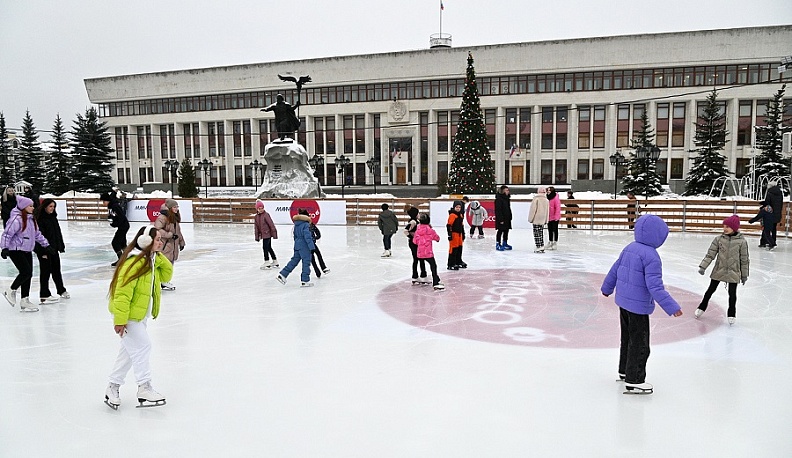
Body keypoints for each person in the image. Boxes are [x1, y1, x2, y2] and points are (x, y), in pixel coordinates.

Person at [601, 214, 683, 395]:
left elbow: (614, 270)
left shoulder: (629, 248)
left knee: (627, 339)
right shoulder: (652, 257)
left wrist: (607, 288)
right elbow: (655, 286)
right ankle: (635, 380)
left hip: (623, 303)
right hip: (638, 308)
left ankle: (624, 371)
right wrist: (671, 307)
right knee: (640, 344)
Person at [104, 225, 173, 410]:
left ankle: (112, 387)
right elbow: (122, 293)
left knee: (128, 353)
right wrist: (120, 320)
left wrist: (157, 256)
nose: (161, 242)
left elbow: (167, 275)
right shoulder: (134, 262)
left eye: (160, 239)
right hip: (128, 315)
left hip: (140, 314)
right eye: (157, 239)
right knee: (143, 346)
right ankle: (144, 387)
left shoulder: (150, 260)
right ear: (146, 241)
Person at [1, 196, 53, 312]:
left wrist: (46, 245)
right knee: (26, 272)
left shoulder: (31, 219)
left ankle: (25, 299)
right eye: (30, 206)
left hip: (27, 249)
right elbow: (7, 234)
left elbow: (37, 234)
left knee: (28, 275)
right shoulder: (16, 219)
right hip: (15, 249)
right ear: (23, 207)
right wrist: (4, 248)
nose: (33, 208)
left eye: (32, 205)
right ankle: (11, 290)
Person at [696, 215, 749, 325]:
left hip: (734, 271)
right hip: (719, 269)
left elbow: (744, 260)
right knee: (710, 291)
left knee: (732, 295)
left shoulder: (742, 242)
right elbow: (710, 254)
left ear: (734, 228)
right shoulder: (719, 239)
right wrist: (703, 266)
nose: (725, 229)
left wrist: (744, 275)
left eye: (727, 227)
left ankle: (731, 314)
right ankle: (701, 307)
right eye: (724, 226)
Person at [34, 199, 69, 304]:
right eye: (50, 206)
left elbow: (57, 233)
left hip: (53, 249)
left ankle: (61, 290)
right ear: (45, 207)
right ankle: (44, 294)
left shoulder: (53, 217)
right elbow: (39, 237)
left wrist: (60, 245)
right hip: (44, 250)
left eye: (53, 206)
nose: (52, 208)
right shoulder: (40, 219)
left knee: (56, 270)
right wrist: (43, 251)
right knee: (45, 272)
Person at [276, 209, 316, 287]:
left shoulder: (296, 224)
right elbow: (307, 237)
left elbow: (295, 236)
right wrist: (312, 247)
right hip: (304, 246)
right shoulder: (306, 224)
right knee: (306, 262)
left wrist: (297, 244)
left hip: (297, 245)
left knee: (294, 261)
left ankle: (283, 274)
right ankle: (305, 280)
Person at [154, 199, 184, 290]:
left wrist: (181, 242)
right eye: (175, 207)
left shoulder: (174, 217)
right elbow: (157, 229)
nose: (177, 209)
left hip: (173, 245)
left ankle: (164, 281)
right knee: (165, 264)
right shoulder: (162, 217)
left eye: (177, 207)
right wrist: (169, 235)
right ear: (170, 208)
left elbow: (178, 231)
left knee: (170, 263)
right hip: (165, 245)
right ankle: (162, 281)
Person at [412, 213, 444, 291]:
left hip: (420, 252)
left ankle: (424, 276)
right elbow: (437, 238)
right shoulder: (430, 230)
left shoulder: (418, 230)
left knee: (421, 262)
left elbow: (415, 241)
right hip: (428, 252)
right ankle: (435, 282)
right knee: (433, 266)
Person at [101, 191, 130, 266]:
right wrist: (112, 218)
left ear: (107, 201)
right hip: (123, 225)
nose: (103, 203)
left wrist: (115, 223)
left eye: (103, 201)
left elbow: (121, 217)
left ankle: (121, 259)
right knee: (122, 243)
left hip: (123, 226)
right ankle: (126, 258)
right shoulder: (112, 205)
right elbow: (117, 216)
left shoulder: (115, 206)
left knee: (115, 243)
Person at [404, 205, 428, 285]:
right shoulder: (413, 222)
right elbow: (405, 231)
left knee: (418, 259)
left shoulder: (416, 221)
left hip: (418, 243)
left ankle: (418, 276)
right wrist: (412, 237)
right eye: (418, 213)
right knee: (419, 258)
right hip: (414, 243)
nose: (419, 214)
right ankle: (421, 276)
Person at [253, 199, 279, 269]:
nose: (261, 210)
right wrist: (257, 236)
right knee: (269, 247)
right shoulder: (256, 217)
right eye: (259, 208)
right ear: (257, 209)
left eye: (262, 208)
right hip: (263, 235)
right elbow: (256, 227)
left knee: (265, 247)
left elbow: (271, 224)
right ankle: (275, 260)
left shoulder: (266, 215)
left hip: (267, 234)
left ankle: (267, 261)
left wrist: (274, 233)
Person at [305, 210, 330, 278]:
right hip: (308, 245)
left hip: (311, 244)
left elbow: (318, 233)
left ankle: (322, 269)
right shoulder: (306, 226)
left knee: (317, 256)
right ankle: (319, 271)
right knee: (314, 258)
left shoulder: (310, 225)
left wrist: (314, 238)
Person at [762, 180, 783, 250]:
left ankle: (769, 243)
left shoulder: (769, 193)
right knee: (774, 228)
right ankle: (773, 241)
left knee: (766, 229)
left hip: (770, 214)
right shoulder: (780, 193)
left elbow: (767, 203)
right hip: (777, 214)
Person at [528, 187, 549, 253]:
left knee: (536, 233)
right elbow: (547, 211)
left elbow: (533, 210)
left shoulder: (536, 199)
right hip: (543, 218)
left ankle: (538, 246)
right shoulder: (546, 200)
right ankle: (541, 245)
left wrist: (530, 219)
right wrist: (546, 220)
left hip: (536, 218)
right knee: (541, 232)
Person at [446, 200, 466, 270]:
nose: (458, 208)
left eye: (459, 207)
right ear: (454, 207)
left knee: (459, 248)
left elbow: (462, 225)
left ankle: (458, 261)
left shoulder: (460, 215)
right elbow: (449, 225)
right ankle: (451, 263)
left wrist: (463, 233)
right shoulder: (452, 215)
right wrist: (449, 235)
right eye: (457, 207)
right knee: (453, 249)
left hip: (460, 234)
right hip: (454, 234)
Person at [495, 185, 512, 251]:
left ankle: (505, 243)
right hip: (501, 218)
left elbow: (508, 209)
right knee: (500, 230)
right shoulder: (499, 199)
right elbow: (498, 210)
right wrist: (500, 219)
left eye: (508, 190)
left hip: (507, 218)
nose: (508, 191)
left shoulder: (507, 199)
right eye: (506, 190)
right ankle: (498, 243)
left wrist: (510, 216)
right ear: (502, 191)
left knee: (506, 231)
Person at [546, 186, 561, 250]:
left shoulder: (555, 197)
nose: (548, 191)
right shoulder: (547, 197)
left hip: (554, 217)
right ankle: (550, 241)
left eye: (549, 190)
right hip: (549, 216)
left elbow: (558, 207)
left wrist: (556, 216)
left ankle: (555, 242)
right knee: (550, 229)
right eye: (547, 190)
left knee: (555, 230)